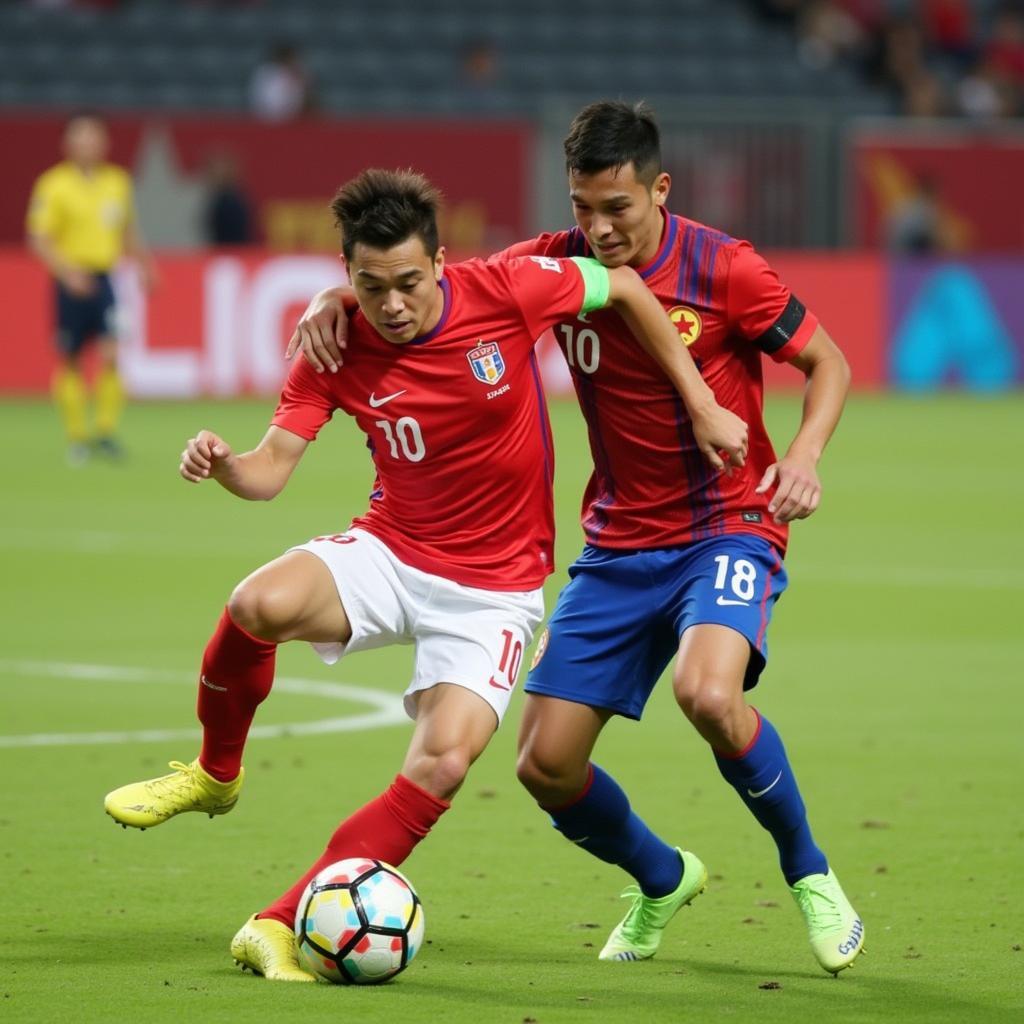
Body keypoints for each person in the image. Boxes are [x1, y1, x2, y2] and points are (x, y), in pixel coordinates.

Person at [103, 168, 748, 982]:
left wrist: (694, 398)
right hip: (392, 548)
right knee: (255, 602)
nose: (394, 305)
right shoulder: (334, 343)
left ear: (439, 262)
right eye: (371, 289)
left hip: (493, 592)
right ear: (346, 279)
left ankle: (274, 923)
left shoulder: (510, 289)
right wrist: (226, 464)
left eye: (409, 283)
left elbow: (620, 282)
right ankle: (214, 773)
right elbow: (270, 471)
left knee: (442, 763)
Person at [290, 101, 863, 976]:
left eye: (617, 209)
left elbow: (830, 362)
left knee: (708, 695)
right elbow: (440, 284)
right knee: (544, 766)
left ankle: (809, 872)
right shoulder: (554, 264)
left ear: (659, 190)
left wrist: (807, 457)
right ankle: (663, 878)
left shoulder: (725, 267)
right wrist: (344, 294)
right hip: (619, 543)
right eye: (581, 207)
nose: (597, 229)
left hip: (728, 527)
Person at [26, 110, 156, 464]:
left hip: (104, 279)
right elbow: (39, 237)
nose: (88, 143)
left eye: (94, 136)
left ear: (105, 142)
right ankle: (76, 436)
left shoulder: (117, 182)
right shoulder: (52, 185)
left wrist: (144, 265)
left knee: (112, 353)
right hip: (69, 280)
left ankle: (104, 430)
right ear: (67, 142)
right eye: (81, 136)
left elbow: (128, 229)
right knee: (70, 358)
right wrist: (67, 274)